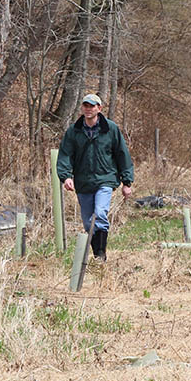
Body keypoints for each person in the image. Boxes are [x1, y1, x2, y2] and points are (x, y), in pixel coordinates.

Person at [56, 93, 134, 262]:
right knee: (87, 222)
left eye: (92, 106)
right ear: (82, 108)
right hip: (83, 182)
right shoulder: (74, 131)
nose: (88, 109)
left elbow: (122, 155)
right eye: (86, 105)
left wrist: (126, 182)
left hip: (105, 179)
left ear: (99, 108)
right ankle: (97, 255)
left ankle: (100, 256)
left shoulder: (111, 129)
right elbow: (65, 155)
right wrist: (66, 176)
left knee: (99, 214)